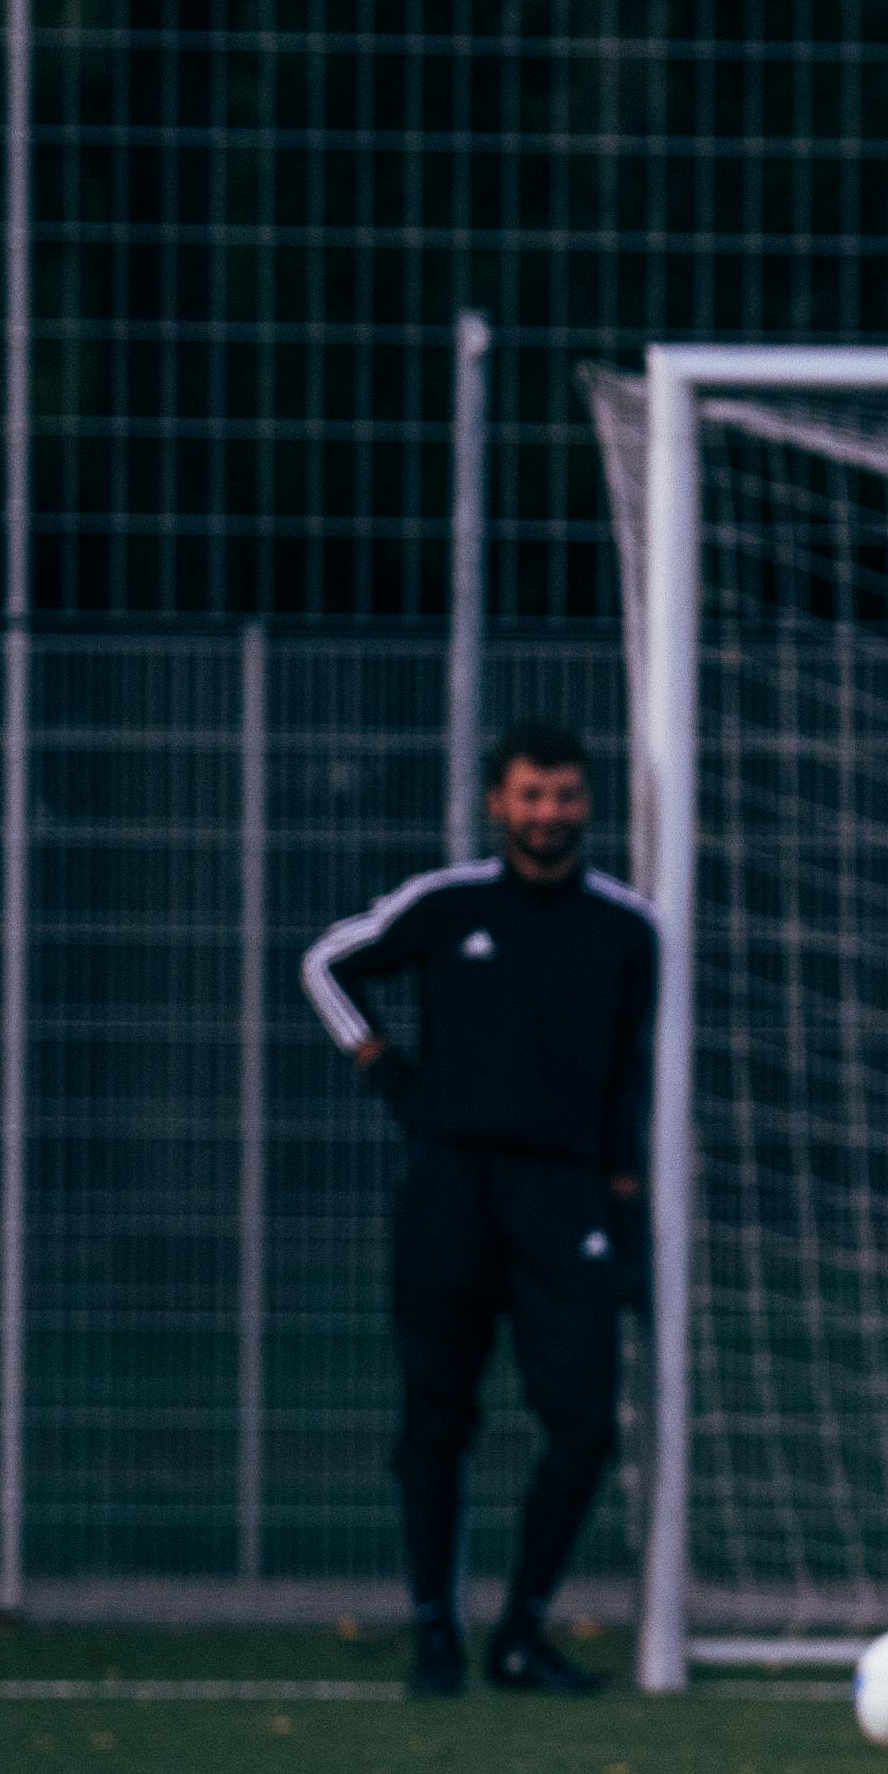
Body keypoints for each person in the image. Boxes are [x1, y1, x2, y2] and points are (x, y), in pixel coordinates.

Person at [299, 724, 657, 1701]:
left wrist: (625, 1214)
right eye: (532, 795)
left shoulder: (625, 928)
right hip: (449, 1189)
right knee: (436, 1416)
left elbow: (630, 1080)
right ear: (497, 803)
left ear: (588, 803)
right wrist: (385, 1070)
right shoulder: (447, 906)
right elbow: (325, 965)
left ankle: (523, 1630)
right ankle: (433, 1632)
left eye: (567, 795)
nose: (551, 813)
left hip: (565, 1196)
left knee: (581, 1422)